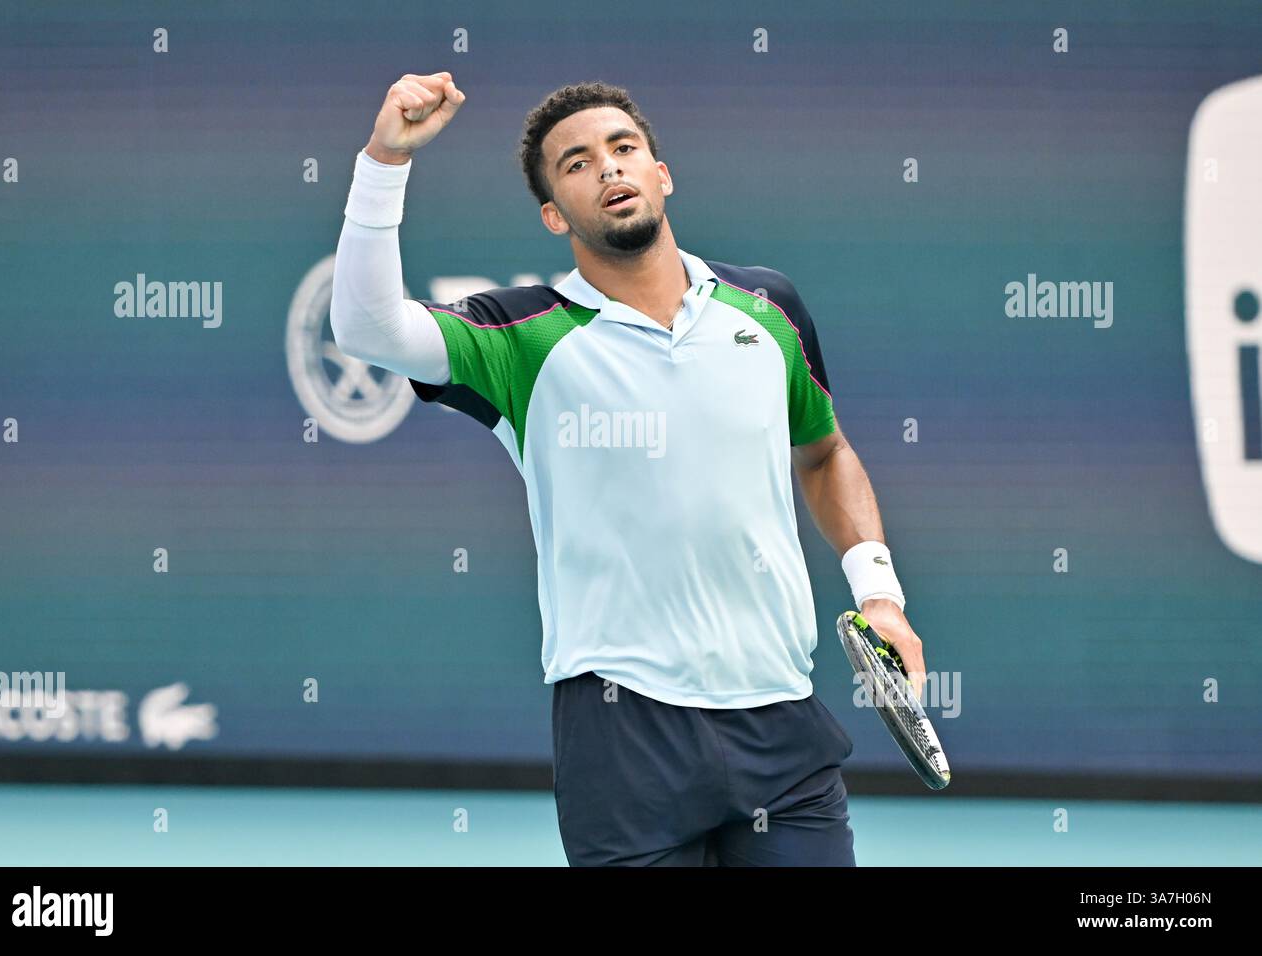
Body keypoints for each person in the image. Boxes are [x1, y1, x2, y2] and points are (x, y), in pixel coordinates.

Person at [330, 72, 929, 866]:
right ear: (553, 214)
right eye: (575, 164)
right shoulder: (520, 334)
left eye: (624, 149)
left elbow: (823, 451)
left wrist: (879, 598)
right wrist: (385, 160)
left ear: (661, 171)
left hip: (781, 721)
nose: (608, 168)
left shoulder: (768, 308)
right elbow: (367, 326)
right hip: (623, 737)